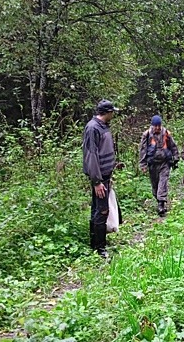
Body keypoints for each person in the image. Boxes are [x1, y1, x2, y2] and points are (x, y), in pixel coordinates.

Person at [82, 99, 119, 259]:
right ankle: (100, 247)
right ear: (107, 112)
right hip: (99, 178)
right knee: (101, 210)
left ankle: (95, 242)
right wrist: (96, 181)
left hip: (105, 175)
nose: (113, 115)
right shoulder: (92, 128)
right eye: (112, 112)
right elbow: (91, 155)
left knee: (98, 208)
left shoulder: (103, 127)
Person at [139, 115, 179, 216]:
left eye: (159, 125)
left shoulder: (166, 133)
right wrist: (143, 164)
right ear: (152, 125)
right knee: (155, 185)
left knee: (163, 182)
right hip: (152, 164)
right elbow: (143, 150)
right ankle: (158, 200)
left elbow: (173, 145)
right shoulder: (147, 135)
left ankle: (161, 204)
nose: (157, 127)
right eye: (155, 125)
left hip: (165, 163)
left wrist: (176, 157)